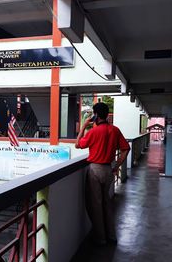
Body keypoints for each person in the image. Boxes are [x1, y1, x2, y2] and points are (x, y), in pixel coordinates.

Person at [75, 102, 130, 246]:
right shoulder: (115, 130)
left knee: (96, 205)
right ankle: (111, 235)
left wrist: (83, 127)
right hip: (108, 170)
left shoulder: (93, 132)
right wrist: (116, 165)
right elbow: (126, 148)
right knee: (106, 203)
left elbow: (78, 144)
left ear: (96, 115)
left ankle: (101, 238)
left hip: (95, 170)